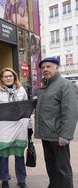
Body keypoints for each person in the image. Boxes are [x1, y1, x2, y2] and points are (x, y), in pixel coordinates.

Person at [34, 57, 78, 188]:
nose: (45, 69)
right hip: (46, 135)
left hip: (58, 136)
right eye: (43, 67)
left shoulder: (65, 85)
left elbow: (70, 112)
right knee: (51, 167)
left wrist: (65, 135)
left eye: (49, 66)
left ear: (57, 68)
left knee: (63, 170)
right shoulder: (45, 87)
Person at [0, 67, 29, 188]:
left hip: (19, 128)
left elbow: (27, 111)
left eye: (10, 76)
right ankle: (4, 179)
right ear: (1, 79)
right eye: (5, 76)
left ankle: (21, 179)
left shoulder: (21, 91)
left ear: (14, 77)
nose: (8, 78)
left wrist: (29, 127)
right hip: (4, 129)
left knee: (19, 154)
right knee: (3, 155)